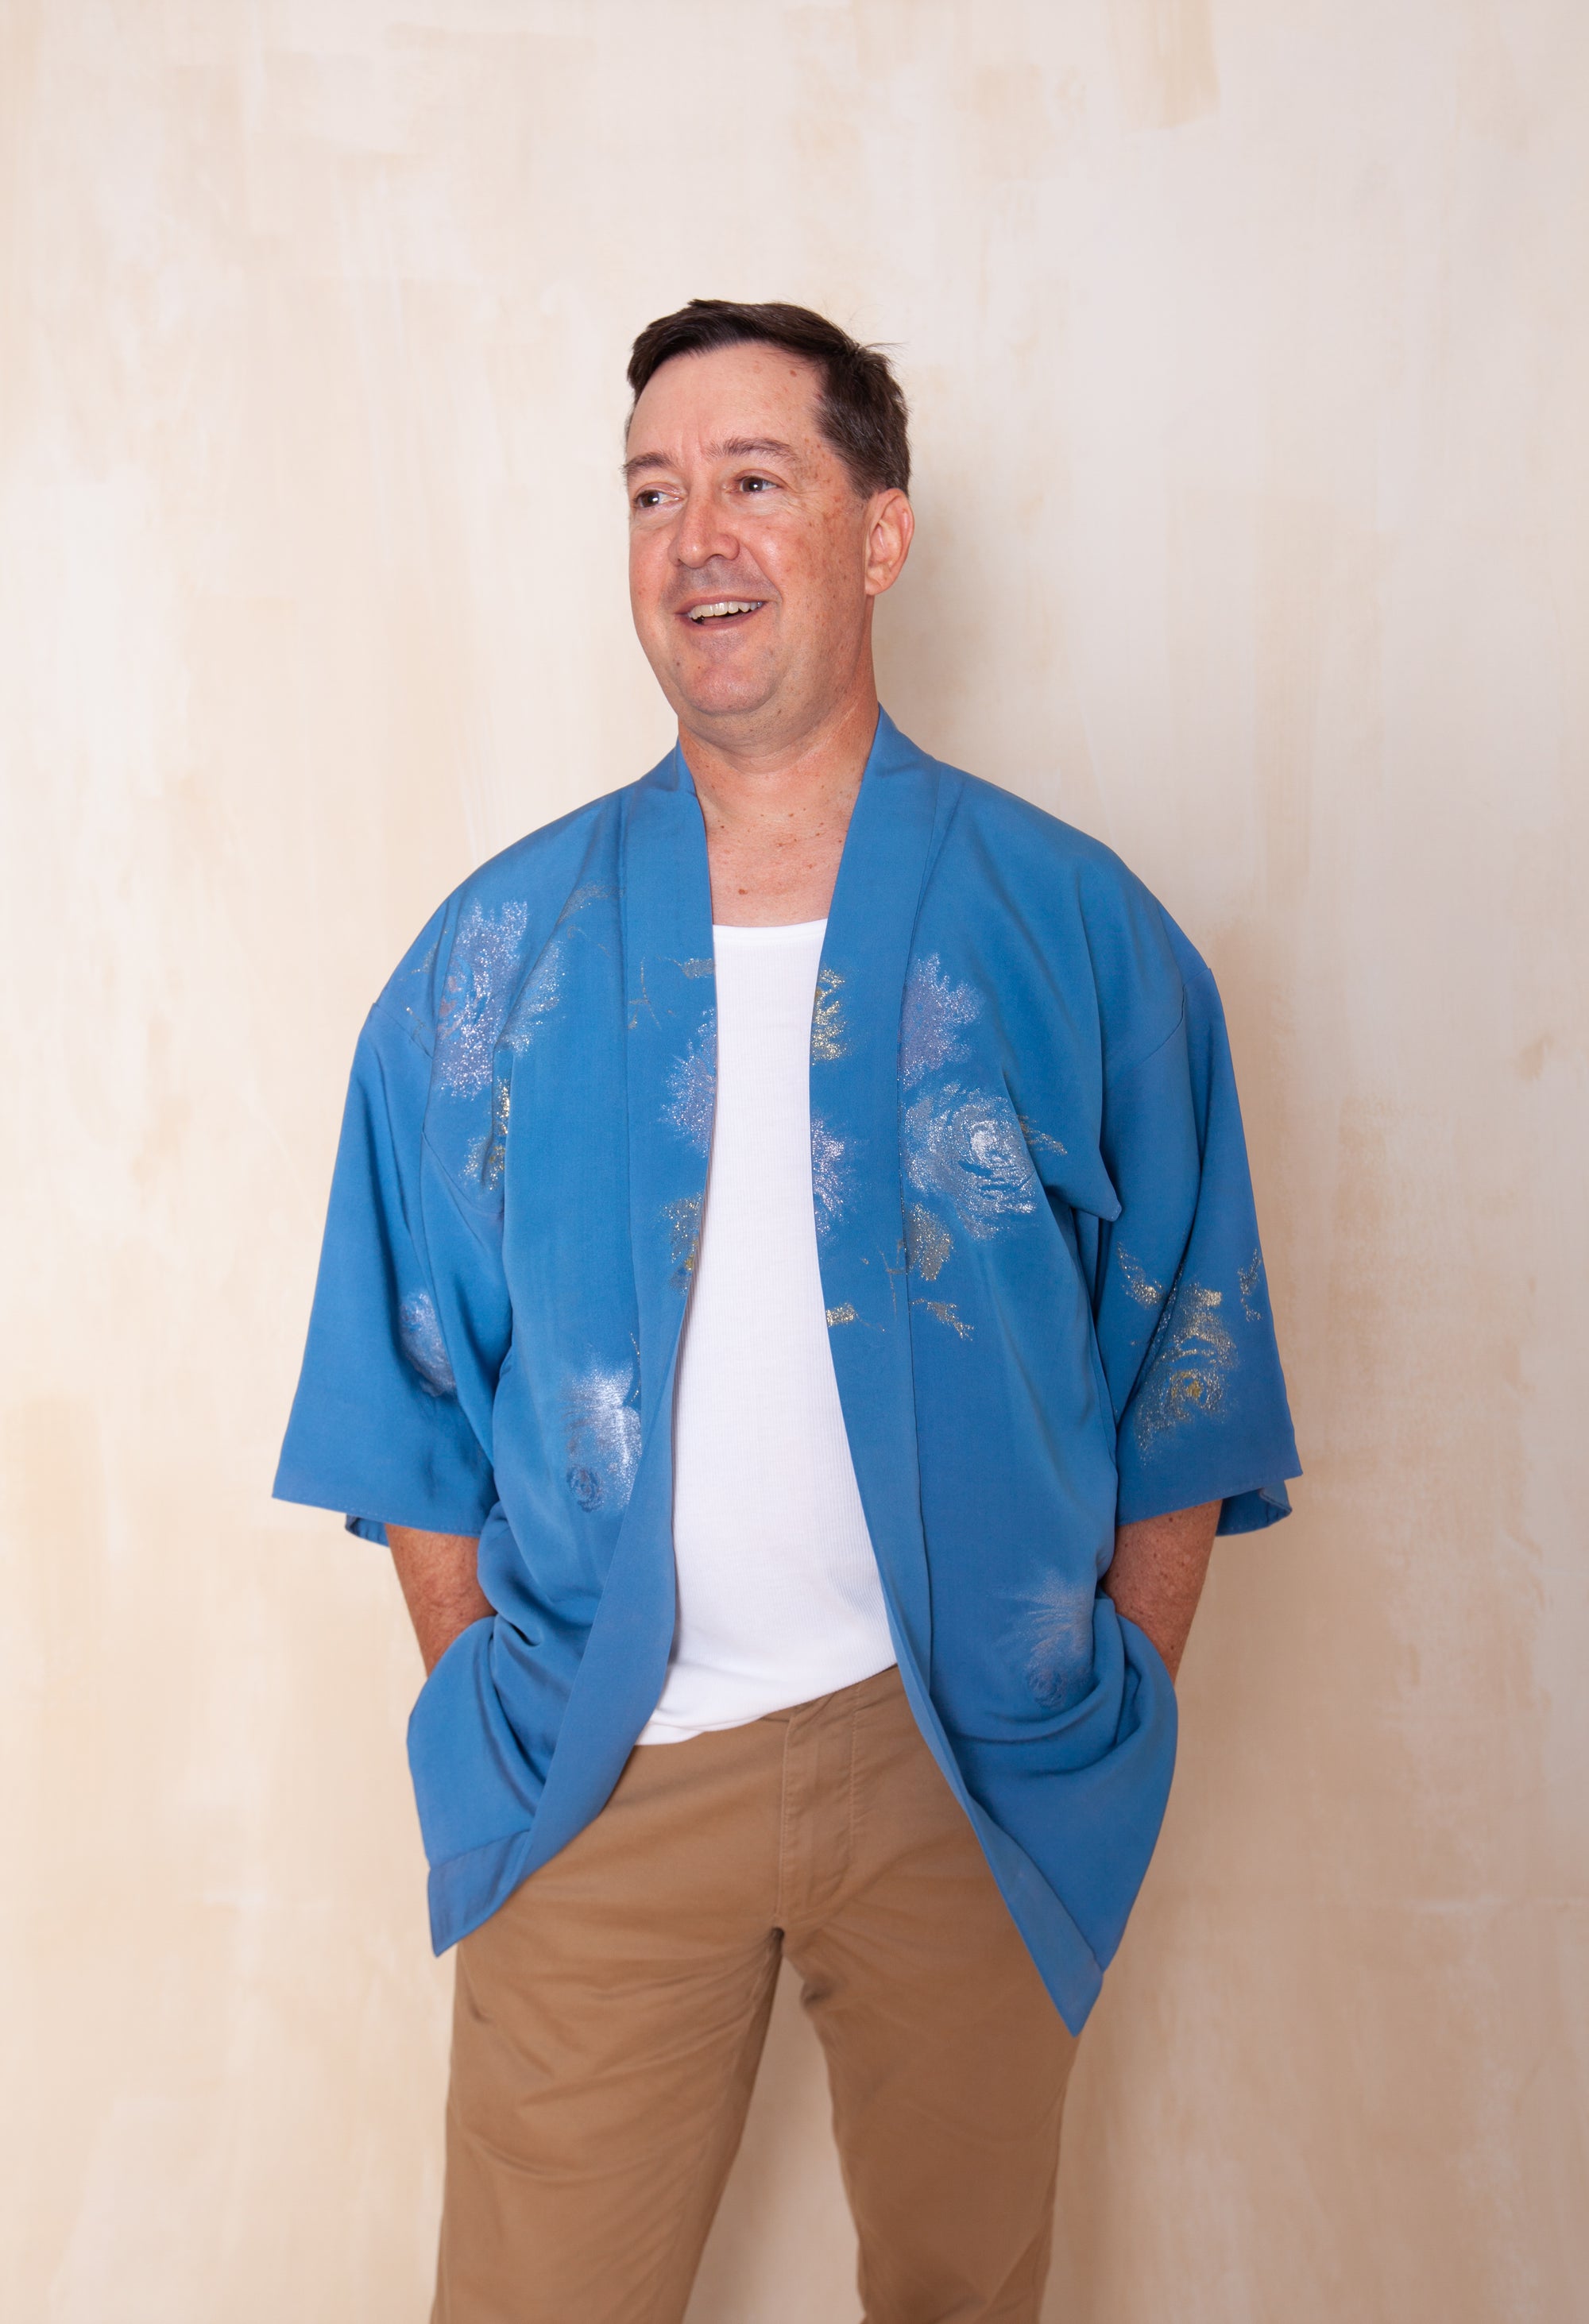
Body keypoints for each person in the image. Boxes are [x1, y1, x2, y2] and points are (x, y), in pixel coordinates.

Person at [276, 299, 1299, 2324]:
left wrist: (1109, 1696)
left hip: (963, 1769)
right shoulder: (493, 955)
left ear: (879, 531)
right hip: (602, 1767)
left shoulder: (1071, 925)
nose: (696, 538)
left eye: (756, 480)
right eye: (654, 491)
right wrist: (494, 1690)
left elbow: (1191, 1349)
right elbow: (395, 1372)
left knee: (963, 2293)